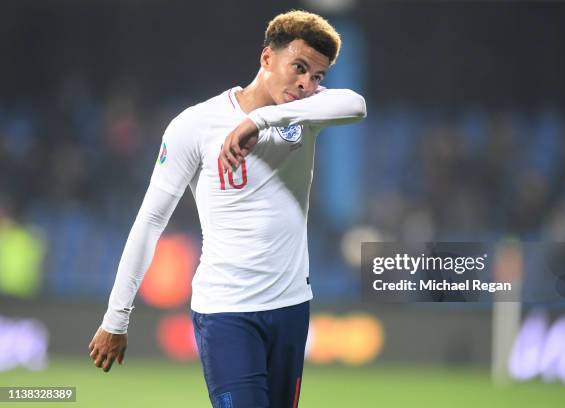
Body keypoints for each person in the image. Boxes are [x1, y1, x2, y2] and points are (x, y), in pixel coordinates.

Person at [88, 9, 366, 407]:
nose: (306, 83)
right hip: (226, 312)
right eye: (299, 67)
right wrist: (117, 316)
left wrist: (264, 120)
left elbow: (356, 105)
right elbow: (150, 221)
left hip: (290, 307)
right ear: (267, 58)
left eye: (317, 76)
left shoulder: (303, 114)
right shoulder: (195, 125)